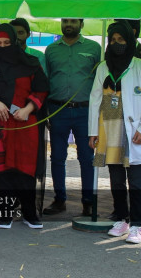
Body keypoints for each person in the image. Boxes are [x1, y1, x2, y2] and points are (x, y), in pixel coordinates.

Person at [0, 23, 49, 229]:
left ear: (15, 42)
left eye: (7, 43)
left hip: (25, 124)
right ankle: (5, 214)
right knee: (2, 172)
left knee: (25, 169)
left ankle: (28, 213)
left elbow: (42, 90)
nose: (2, 47)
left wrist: (28, 108)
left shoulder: (32, 63)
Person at [88, 21, 141, 244]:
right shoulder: (103, 67)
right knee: (115, 180)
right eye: (113, 40)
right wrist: (92, 132)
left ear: (130, 40)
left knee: (136, 181)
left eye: (121, 40)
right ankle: (122, 220)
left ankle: (136, 225)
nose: (117, 44)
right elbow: (95, 100)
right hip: (109, 130)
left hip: (133, 130)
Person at [44, 18, 101, 216]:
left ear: (81, 24)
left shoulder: (94, 48)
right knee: (57, 157)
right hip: (58, 110)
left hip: (85, 112)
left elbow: (100, 80)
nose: (69, 24)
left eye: (73, 21)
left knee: (87, 157)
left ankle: (88, 201)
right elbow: (48, 79)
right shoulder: (51, 50)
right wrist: (48, 112)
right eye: (65, 21)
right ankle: (60, 200)